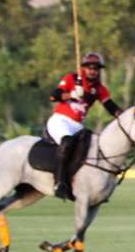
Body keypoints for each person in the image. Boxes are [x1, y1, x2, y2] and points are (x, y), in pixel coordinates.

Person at [46, 52, 121, 199]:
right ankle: (59, 183)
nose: (93, 71)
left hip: (77, 125)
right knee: (67, 143)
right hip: (61, 120)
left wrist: (128, 116)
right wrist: (71, 95)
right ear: (83, 68)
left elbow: (111, 107)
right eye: (90, 67)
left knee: (92, 148)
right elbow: (53, 95)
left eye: (96, 68)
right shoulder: (71, 78)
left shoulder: (99, 88)